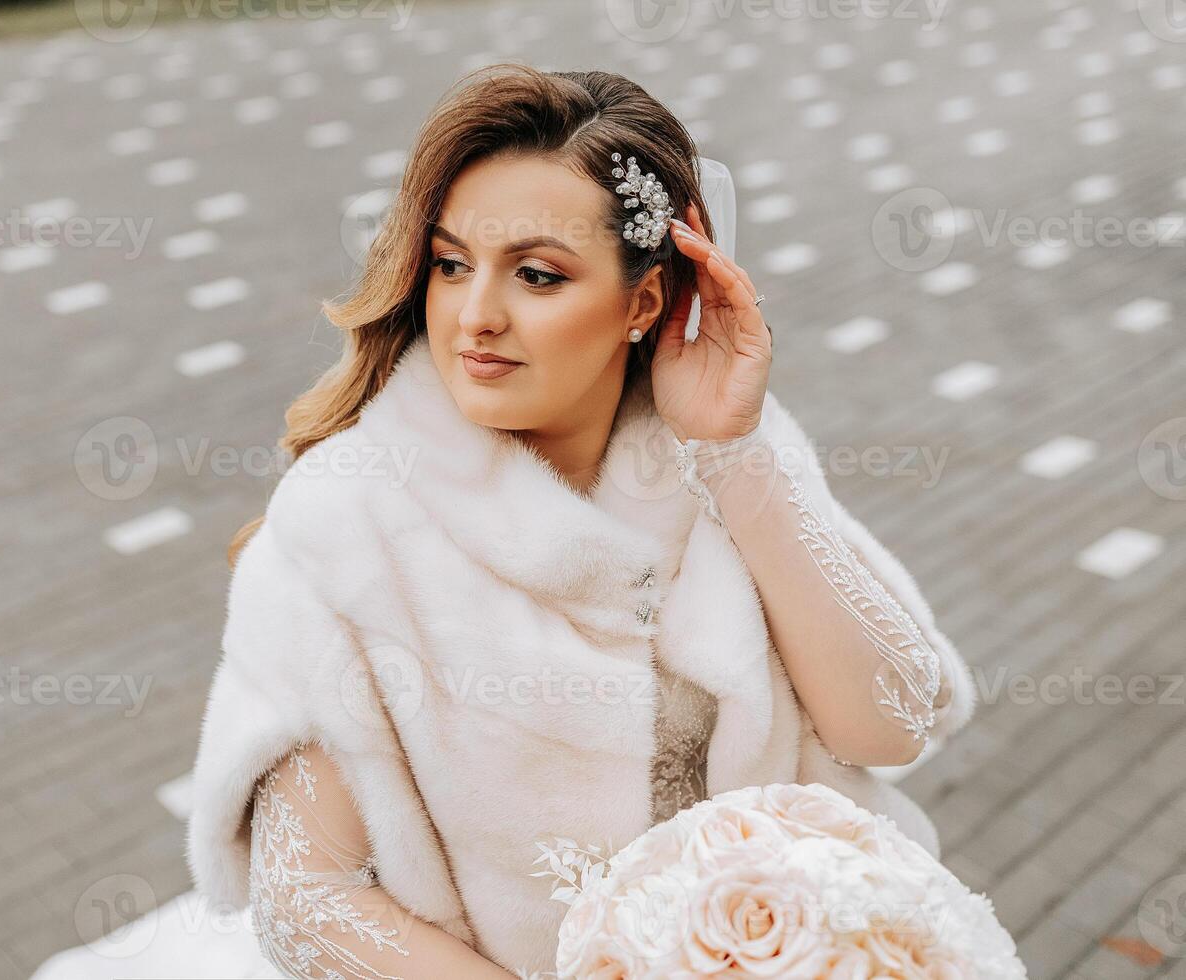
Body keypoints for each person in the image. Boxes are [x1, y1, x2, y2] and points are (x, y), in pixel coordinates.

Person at [185, 64, 977, 979]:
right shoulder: (345, 521)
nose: (475, 316)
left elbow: (891, 727)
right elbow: (306, 900)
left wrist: (732, 456)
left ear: (641, 303)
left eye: (536, 274)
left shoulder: (730, 456)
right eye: (449, 265)